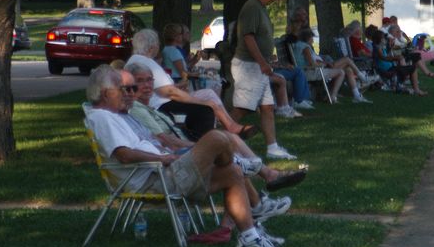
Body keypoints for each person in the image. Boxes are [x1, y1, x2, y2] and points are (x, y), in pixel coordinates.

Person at [84, 65, 287, 247]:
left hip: (167, 171)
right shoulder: (102, 117)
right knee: (217, 137)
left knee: (232, 172)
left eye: (131, 89)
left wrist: (170, 150)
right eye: (124, 89)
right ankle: (241, 164)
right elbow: (124, 155)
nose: (130, 94)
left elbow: (155, 140)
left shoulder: (123, 115)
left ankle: (249, 236)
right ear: (105, 93)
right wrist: (161, 158)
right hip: (154, 180)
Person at [125, 61, 307, 192]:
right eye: (140, 81)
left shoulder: (149, 108)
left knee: (229, 143)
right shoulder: (136, 109)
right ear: (129, 86)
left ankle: (264, 182)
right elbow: (166, 141)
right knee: (224, 145)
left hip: (178, 154)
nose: (148, 86)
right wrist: (201, 147)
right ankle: (262, 183)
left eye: (150, 80)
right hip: (172, 163)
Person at [127, 29, 255, 141]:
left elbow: (161, 89)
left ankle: (229, 127)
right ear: (152, 47)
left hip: (164, 101)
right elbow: (169, 93)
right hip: (162, 106)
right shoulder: (145, 62)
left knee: (209, 95)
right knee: (207, 107)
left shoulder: (137, 60)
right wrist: (200, 102)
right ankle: (218, 136)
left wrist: (178, 86)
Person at [230, 0, 296, 160]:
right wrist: (262, 62)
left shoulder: (261, 8)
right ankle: (217, 138)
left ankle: (272, 147)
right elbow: (248, 37)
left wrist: (267, 61)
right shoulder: (251, 7)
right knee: (243, 108)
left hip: (259, 66)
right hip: (249, 66)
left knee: (267, 107)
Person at [293, 28, 373, 104]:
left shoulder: (301, 45)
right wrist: (325, 64)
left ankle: (356, 95)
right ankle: (361, 78)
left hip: (316, 68)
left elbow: (312, 60)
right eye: (312, 38)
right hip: (314, 70)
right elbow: (312, 64)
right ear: (307, 38)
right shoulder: (305, 47)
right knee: (346, 62)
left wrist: (324, 62)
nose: (313, 40)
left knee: (348, 69)